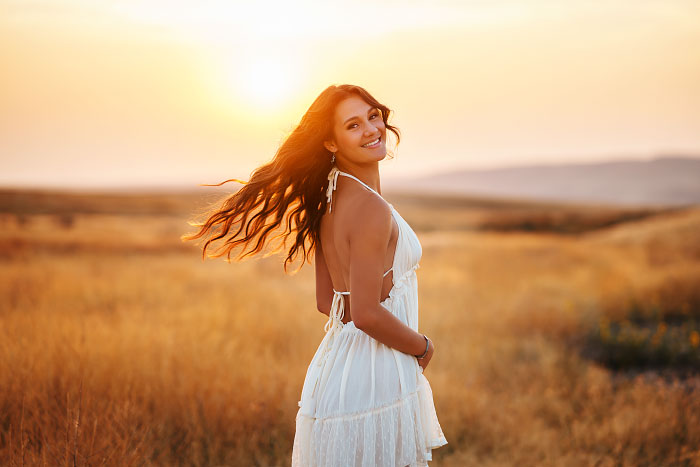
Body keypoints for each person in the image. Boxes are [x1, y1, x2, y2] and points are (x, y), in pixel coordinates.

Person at [183, 84, 447, 466]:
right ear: (331, 143)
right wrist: (422, 347)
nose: (372, 130)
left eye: (373, 116)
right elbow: (367, 313)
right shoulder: (371, 208)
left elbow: (330, 302)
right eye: (353, 125)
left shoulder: (327, 201)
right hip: (376, 380)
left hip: (333, 379)